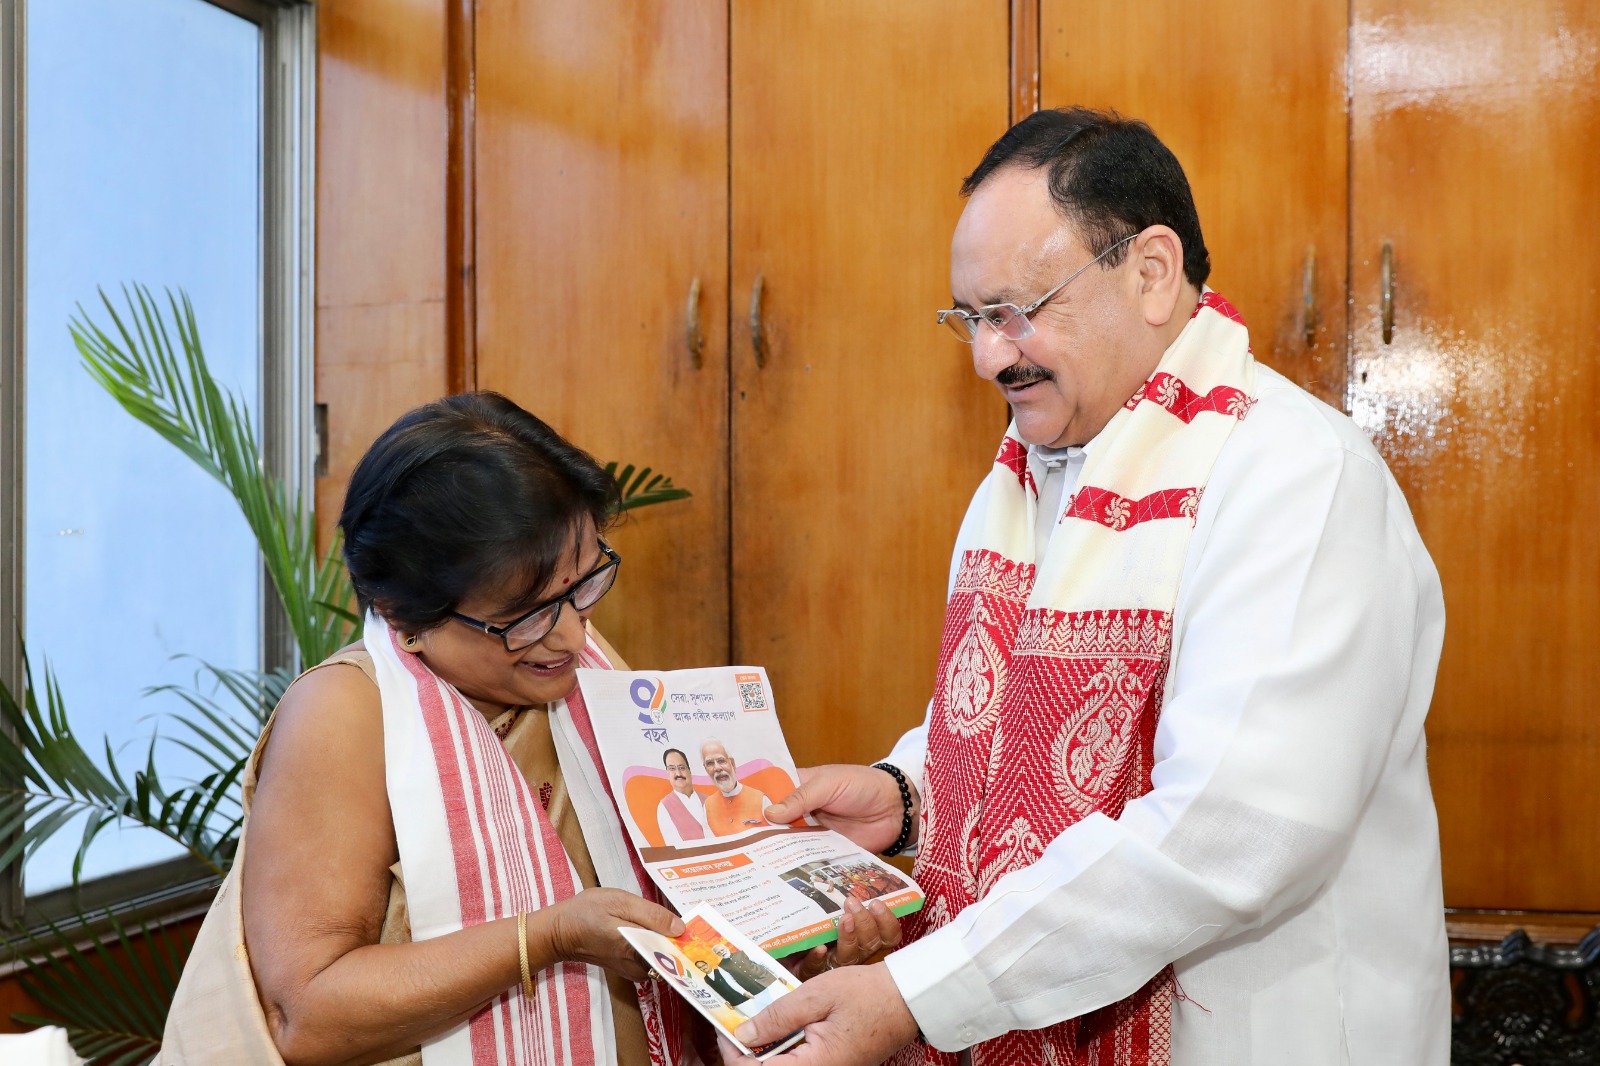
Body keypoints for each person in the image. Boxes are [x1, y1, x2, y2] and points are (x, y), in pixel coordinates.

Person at [729, 108, 1449, 1065]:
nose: (993, 355)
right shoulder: (1029, 474)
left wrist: (919, 992)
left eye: (1020, 309)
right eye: (974, 319)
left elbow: (1228, 832)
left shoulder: (1294, 474)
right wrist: (905, 793)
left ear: (1150, 273)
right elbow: (1009, 724)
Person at [159, 393, 695, 1065]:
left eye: (583, 585)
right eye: (525, 614)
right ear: (401, 612)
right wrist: (545, 937)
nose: (571, 633)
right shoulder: (346, 714)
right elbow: (308, 1011)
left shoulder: (576, 662)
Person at [700, 738, 771, 836]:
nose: (717, 768)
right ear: (706, 769)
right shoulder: (707, 806)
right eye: (710, 763)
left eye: (721, 761)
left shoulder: (761, 799)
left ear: (732, 763)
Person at [658, 746, 711, 846]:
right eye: (672, 769)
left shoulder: (709, 800)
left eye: (682, 768)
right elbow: (675, 847)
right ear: (667, 774)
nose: (678, 773)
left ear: (689, 771)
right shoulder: (664, 806)